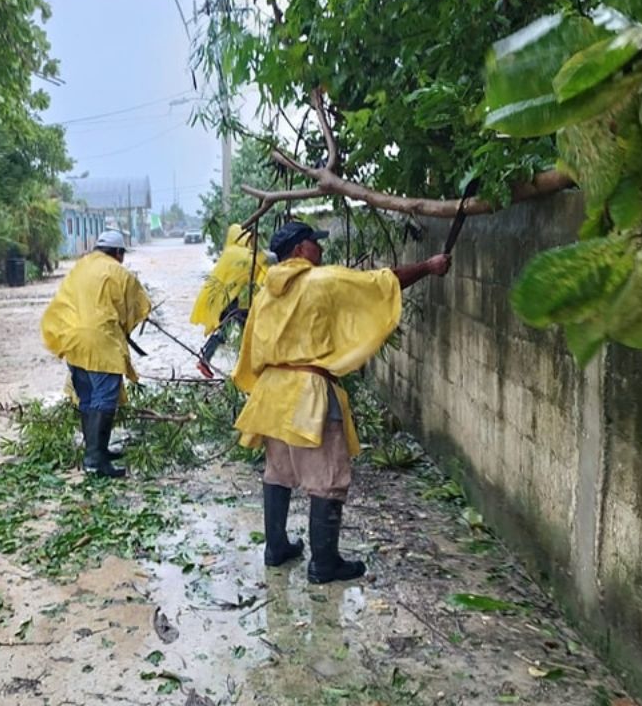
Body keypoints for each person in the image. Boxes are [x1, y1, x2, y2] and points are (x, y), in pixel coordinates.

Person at [233, 221, 450, 584]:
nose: (320, 250)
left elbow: (250, 347)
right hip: (308, 392)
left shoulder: (263, 293)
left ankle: (276, 547)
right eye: (314, 244)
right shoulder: (321, 281)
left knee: (278, 473)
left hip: (271, 394)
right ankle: (324, 563)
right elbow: (381, 284)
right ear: (300, 249)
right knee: (328, 478)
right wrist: (428, 267)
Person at [41, 230, 151, 478]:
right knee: (104, 399)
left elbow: (63, 301)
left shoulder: (79, 267)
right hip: (100, 342)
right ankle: (96, 460)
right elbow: (138, 307)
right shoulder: (120, 273)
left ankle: (94, 451)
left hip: (73, 340)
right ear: (119, 253)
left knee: (88, 397)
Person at [190, 224, 268, 377]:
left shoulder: (228, 253)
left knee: (230, 330)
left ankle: (209, 359)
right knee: (243, 332)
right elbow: (264, 270)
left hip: (224, 300)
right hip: (236, 301)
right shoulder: (246, 255)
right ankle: (249, 369)